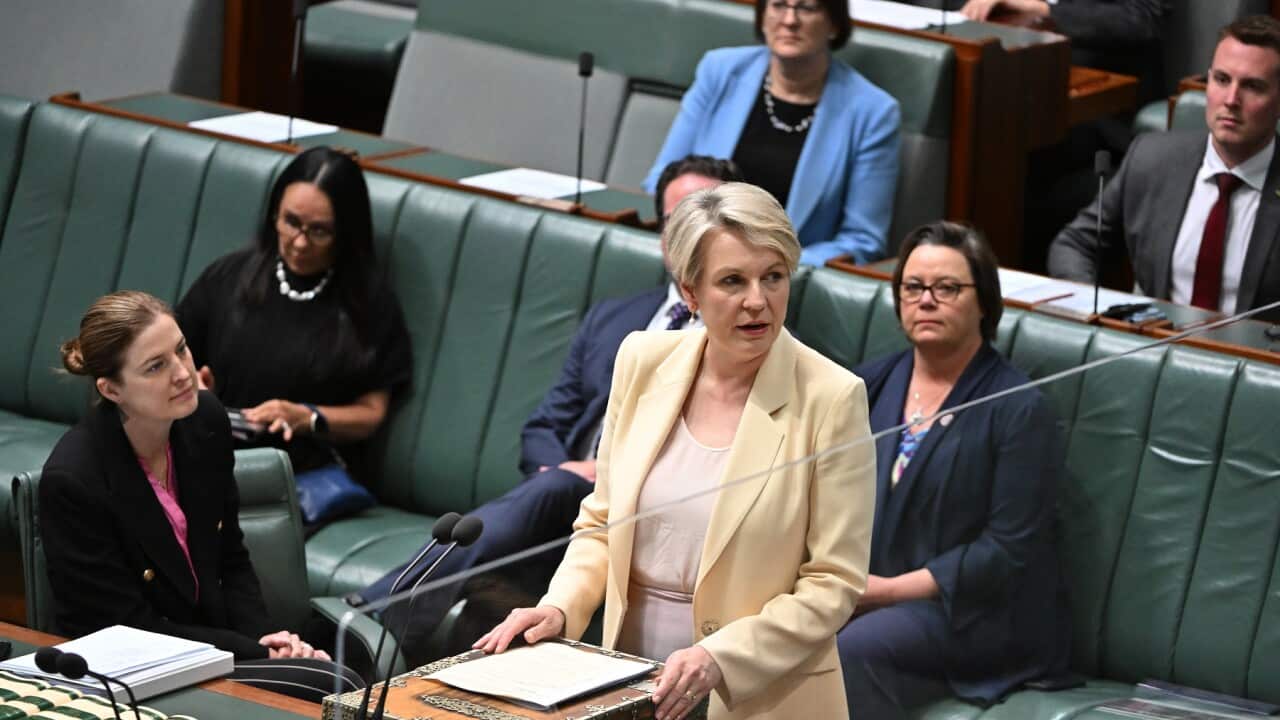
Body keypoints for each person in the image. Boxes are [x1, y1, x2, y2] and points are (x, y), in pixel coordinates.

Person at [476, 182, 876, 720]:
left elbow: (833, 584)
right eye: (733, 281)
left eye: (773, 277)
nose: (757, 300)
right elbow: (602, 520)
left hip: (760, 695)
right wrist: (560, 606)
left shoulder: (833, 397)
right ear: (690, 292)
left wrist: (721, 656)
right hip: (630, 678)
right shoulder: (642, 360)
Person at [352, 156, 743, 665]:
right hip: (559, 508)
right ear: (662, 235)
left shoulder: (740, 339)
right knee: (515, 564)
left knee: (543, 513)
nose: (689, 236)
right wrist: (554, 481)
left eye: (705, 224)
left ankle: (372, 620)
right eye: (677, 223)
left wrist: (593, 476)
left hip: (645, 518)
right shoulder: (615, 317)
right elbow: (544, 426)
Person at [41, 291, 364, 702]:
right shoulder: (75, 479)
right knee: (332, 686)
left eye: (181, 350)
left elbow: (230, 555)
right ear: (111, 389)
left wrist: (264, 636)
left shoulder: (204, 420)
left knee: (341, 681)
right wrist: (254, 650)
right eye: (155, 366)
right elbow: (127, 627)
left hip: (211, 650)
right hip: (127, 675)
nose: (182, 373)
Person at [836, 222, 1069, 717]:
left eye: (947, 288)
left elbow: (1007, 550)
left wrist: (886, 592)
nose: (927, 300)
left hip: (971, 616)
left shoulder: (1019, 408)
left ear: (983, 302)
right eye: (914, 287)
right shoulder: (868, 384)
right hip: (867, 591)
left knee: (850, 649)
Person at [175, 146, 412, 526]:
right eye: (291, 222)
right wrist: (191, 387)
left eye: (319, 231)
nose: (300, 243)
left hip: (296, 469)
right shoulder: (231, 276)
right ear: (274, 215)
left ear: (345, 233)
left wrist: (307, 417)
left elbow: (372, 413)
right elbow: (174, 352)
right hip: (215, 445)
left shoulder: (368, 304)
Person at [1048, 15, 1280, 320]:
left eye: (1252, 86)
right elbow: (1074, 245)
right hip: (1155, 351)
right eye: (1222, 80)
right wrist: (1102, 313)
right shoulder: (1152, 159)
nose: (1231, 99)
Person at [642, 0, 901, 267]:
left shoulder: (873, 113)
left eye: (807, 8)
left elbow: (862, 241)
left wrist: (772, 263)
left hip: (789, 282)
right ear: (763, 17)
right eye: (778, 5)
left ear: (834, 24)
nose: (789, 20)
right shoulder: (719, 71)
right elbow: (661, 180)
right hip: (695, 257)